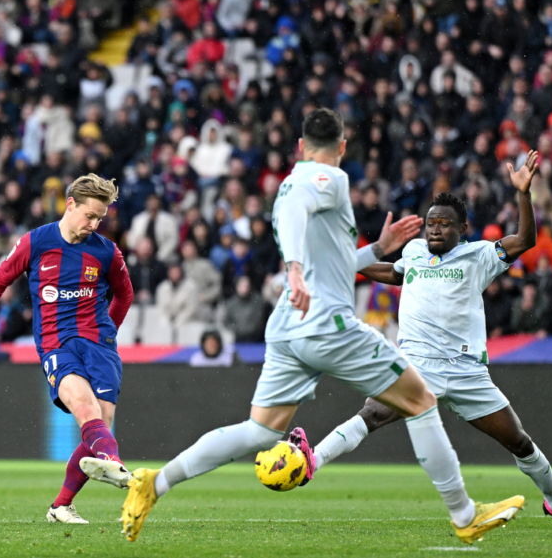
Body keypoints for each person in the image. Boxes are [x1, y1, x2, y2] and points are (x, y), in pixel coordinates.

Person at [120, 108, 527, 544]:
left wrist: (377, 249)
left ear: (299, 147)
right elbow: (300, 215)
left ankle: (155, 483)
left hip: (287, 323)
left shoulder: (284, 185)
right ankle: (464, 514)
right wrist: (294, 269)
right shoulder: (329, 178)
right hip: (326, 324)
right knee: (422, 399)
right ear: (342, 148)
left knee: (259, 431)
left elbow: (333, 264)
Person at [297, 152, 552, 528]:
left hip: (466, 370)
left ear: (463, 227)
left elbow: (525, 239)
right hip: (418, 364)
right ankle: (312, 461)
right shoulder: (414, 252)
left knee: (519, 441)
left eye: (444, 224)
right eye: (430, 224)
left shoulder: (480, 256)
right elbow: (393, 274)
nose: (435, 229)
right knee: (372, 413)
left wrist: (523, 194)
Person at [0, 174, 135, 525]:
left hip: (99, 344)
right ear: (70, 204)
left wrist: (108, 335)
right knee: (83, 407)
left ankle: (61, 505)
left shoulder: (106, 251)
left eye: (100, 219)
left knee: (100, 422)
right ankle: (116, 464)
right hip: (56, 343)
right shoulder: (36, 242)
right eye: (90, 215)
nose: (94, 224)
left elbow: (125, 294)